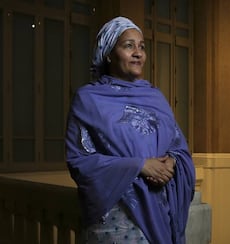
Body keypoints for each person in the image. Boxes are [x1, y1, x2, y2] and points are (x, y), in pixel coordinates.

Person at [65, 16, 195, 244]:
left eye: (141, 47)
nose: (138, 53)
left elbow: (178, 147)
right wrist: (140, 166)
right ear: (108, 53)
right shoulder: (89, 99)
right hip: (116, 219)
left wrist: (172, 163)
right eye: (128, 45)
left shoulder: (155, 97)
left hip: (159, 213)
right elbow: (79, 161)